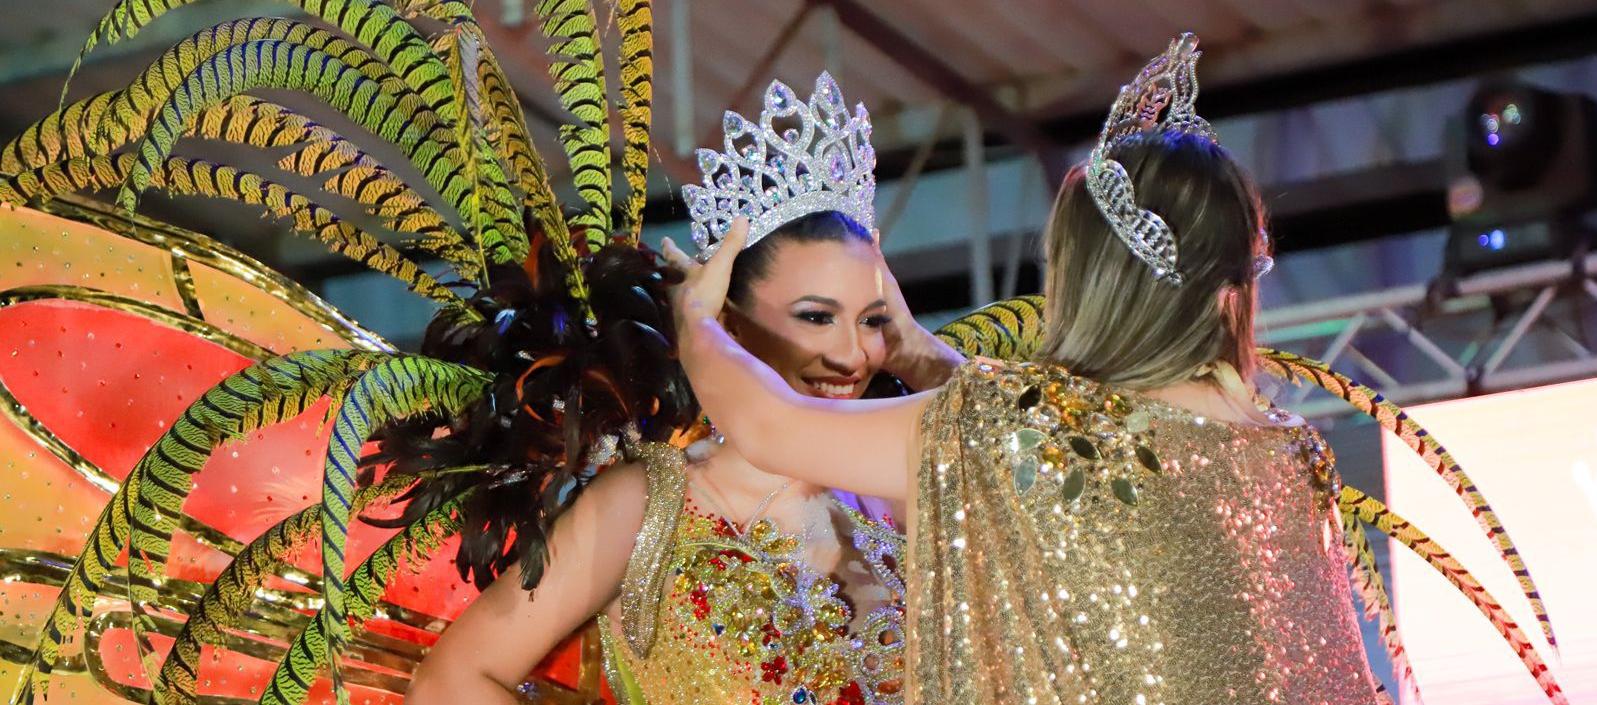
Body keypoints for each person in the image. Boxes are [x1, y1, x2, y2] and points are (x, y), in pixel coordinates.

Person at [663, 35, 1566, 705]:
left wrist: (698, 321)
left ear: (1085, 279)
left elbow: (768, 425)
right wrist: (919, 354)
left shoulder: (1017, 425)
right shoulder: (1286, 452)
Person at [408, 72, 963, 705]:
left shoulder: (897, 499)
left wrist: (917, 347)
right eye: (815, 317)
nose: (850, 354)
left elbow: (1020, 447)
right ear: (726, 322)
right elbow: (451, 682)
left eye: (872, 320)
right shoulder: (648, 503)